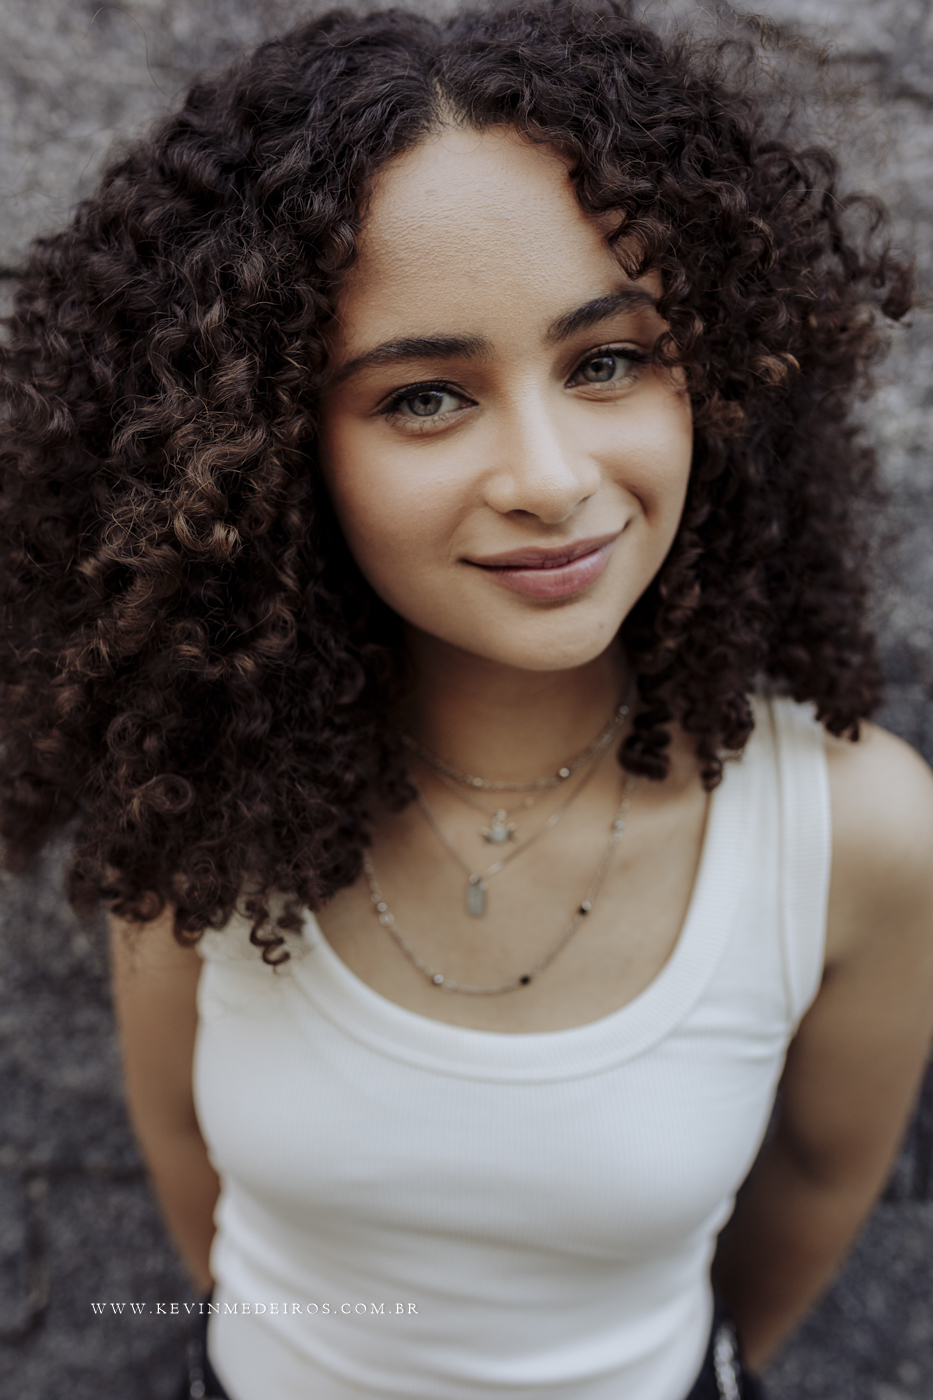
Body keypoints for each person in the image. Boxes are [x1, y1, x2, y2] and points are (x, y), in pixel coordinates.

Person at [2, 1, 932, 1396]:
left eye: (608, 360)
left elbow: (806, 1201)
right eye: (426, 396)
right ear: (260, 450)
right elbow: (189, 1171)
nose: (551, 477)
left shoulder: (857, 833)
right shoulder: (201, 785)